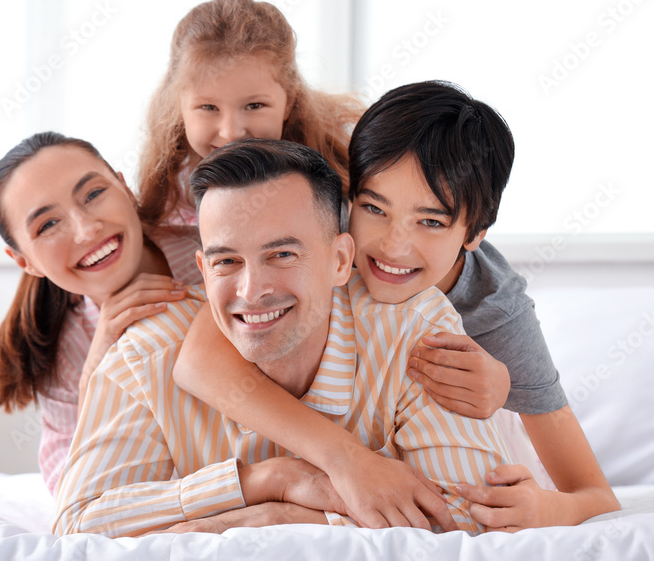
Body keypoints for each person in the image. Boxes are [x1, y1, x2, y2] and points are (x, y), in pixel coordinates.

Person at [174, 81, 620, 531]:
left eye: (430, 221)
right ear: (351, 198)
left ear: (474, 233)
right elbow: (197, 362)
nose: (392, 246)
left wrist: (548, 506)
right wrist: (346, 459)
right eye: (374, 208)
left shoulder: (495, 310)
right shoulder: (323, 239)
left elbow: (595, 493)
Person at [53, 139, 512, 537]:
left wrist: (278, 520)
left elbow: (470, 521)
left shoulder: (413, 331)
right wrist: (265, 483)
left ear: (339, 260)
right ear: (202, 269)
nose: (252, 292)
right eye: (226, 262)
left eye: (282, 254)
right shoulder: (143, 359)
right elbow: (78, 527)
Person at [0, 132, 203, 495]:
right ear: (25, 262)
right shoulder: (69, 349)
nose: (87, 230)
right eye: (48, 225)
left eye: (94, 194)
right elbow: (75, 493)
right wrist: (95, 377)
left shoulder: (213, 246)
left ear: (125, 188)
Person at [136, 0, 363, 227]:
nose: (231, 132)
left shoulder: (340, 163)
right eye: (208, 107)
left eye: (255, 105)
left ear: (289, 101)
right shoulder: (174, 197)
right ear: (179, 107)